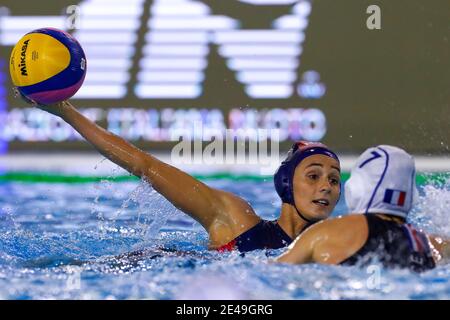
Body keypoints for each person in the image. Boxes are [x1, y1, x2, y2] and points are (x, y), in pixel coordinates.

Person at [18, 96, 341, 252]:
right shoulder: (235, 219)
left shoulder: (339, 246)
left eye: (334, 180)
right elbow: (143, 164)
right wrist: (65, 111)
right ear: (286, 183)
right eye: (313, 176)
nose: (326, 186)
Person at [276, 145, 449, 272]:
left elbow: (274, 274)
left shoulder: (330, 231)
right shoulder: (435, 245)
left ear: (356, 188)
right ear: (412, 196)